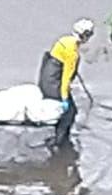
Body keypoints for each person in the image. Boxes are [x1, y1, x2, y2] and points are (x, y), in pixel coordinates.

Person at [38, 18, 95, 148]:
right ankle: (60, 142)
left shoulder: (64, 40)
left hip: (45, 79)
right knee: (71, 112)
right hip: (53, 85)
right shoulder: (73, 54)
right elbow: (65, 80)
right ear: (85, 35)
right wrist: (64, 99)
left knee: (68, 109)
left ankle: (58, 135)